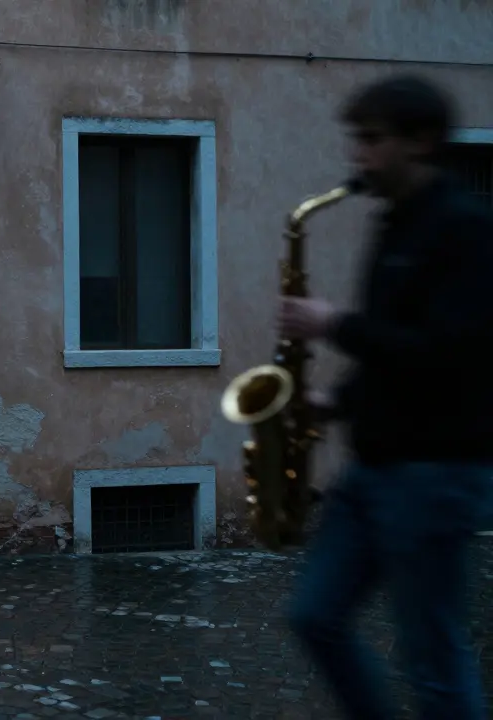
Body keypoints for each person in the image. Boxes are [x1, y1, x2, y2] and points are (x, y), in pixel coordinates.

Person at [279, 74, 493, 719]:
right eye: (356, 140)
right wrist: (331, 403)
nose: (358, 156)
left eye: (372, 141)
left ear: (421, 142)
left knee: (432, 660)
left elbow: (449, 353)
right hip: (372, 472)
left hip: (435, 473)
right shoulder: (390, 222)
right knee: (314, 616)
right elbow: (392, 349)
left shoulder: (467, 229)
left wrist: (332, 324)